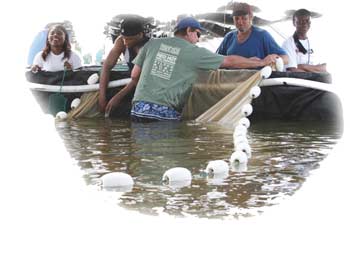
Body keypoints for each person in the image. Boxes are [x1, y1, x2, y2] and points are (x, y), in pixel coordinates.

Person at [105, 17, 276, 121]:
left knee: (144, 156)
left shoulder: (152, 44)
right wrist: (260, 62)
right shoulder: (194, 52)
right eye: (198, 34)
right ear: (188, 31)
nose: (198, 39)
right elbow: (229, 61)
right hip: (164, 113)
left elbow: (135, 75)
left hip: (138, 109)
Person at [99, 17, 150, 113]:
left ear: (140, 35)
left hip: (147, 83)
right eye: (124, 38)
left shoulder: (148, 47)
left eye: (130, 39)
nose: (125, 42)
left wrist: (118, 97)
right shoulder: (120, 41)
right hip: (132, 77)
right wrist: (102, 96)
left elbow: (140, 76)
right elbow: (106, 66)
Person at [216, 2, 288, 68]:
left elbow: (286, 58)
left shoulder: (262, 35)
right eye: (236, 19)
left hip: (256, 80)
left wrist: (272, 60)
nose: (240, 22)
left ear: (251, 17)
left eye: (244, 18)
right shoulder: (229, 37)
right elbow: (216, 59)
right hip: (231, 79)